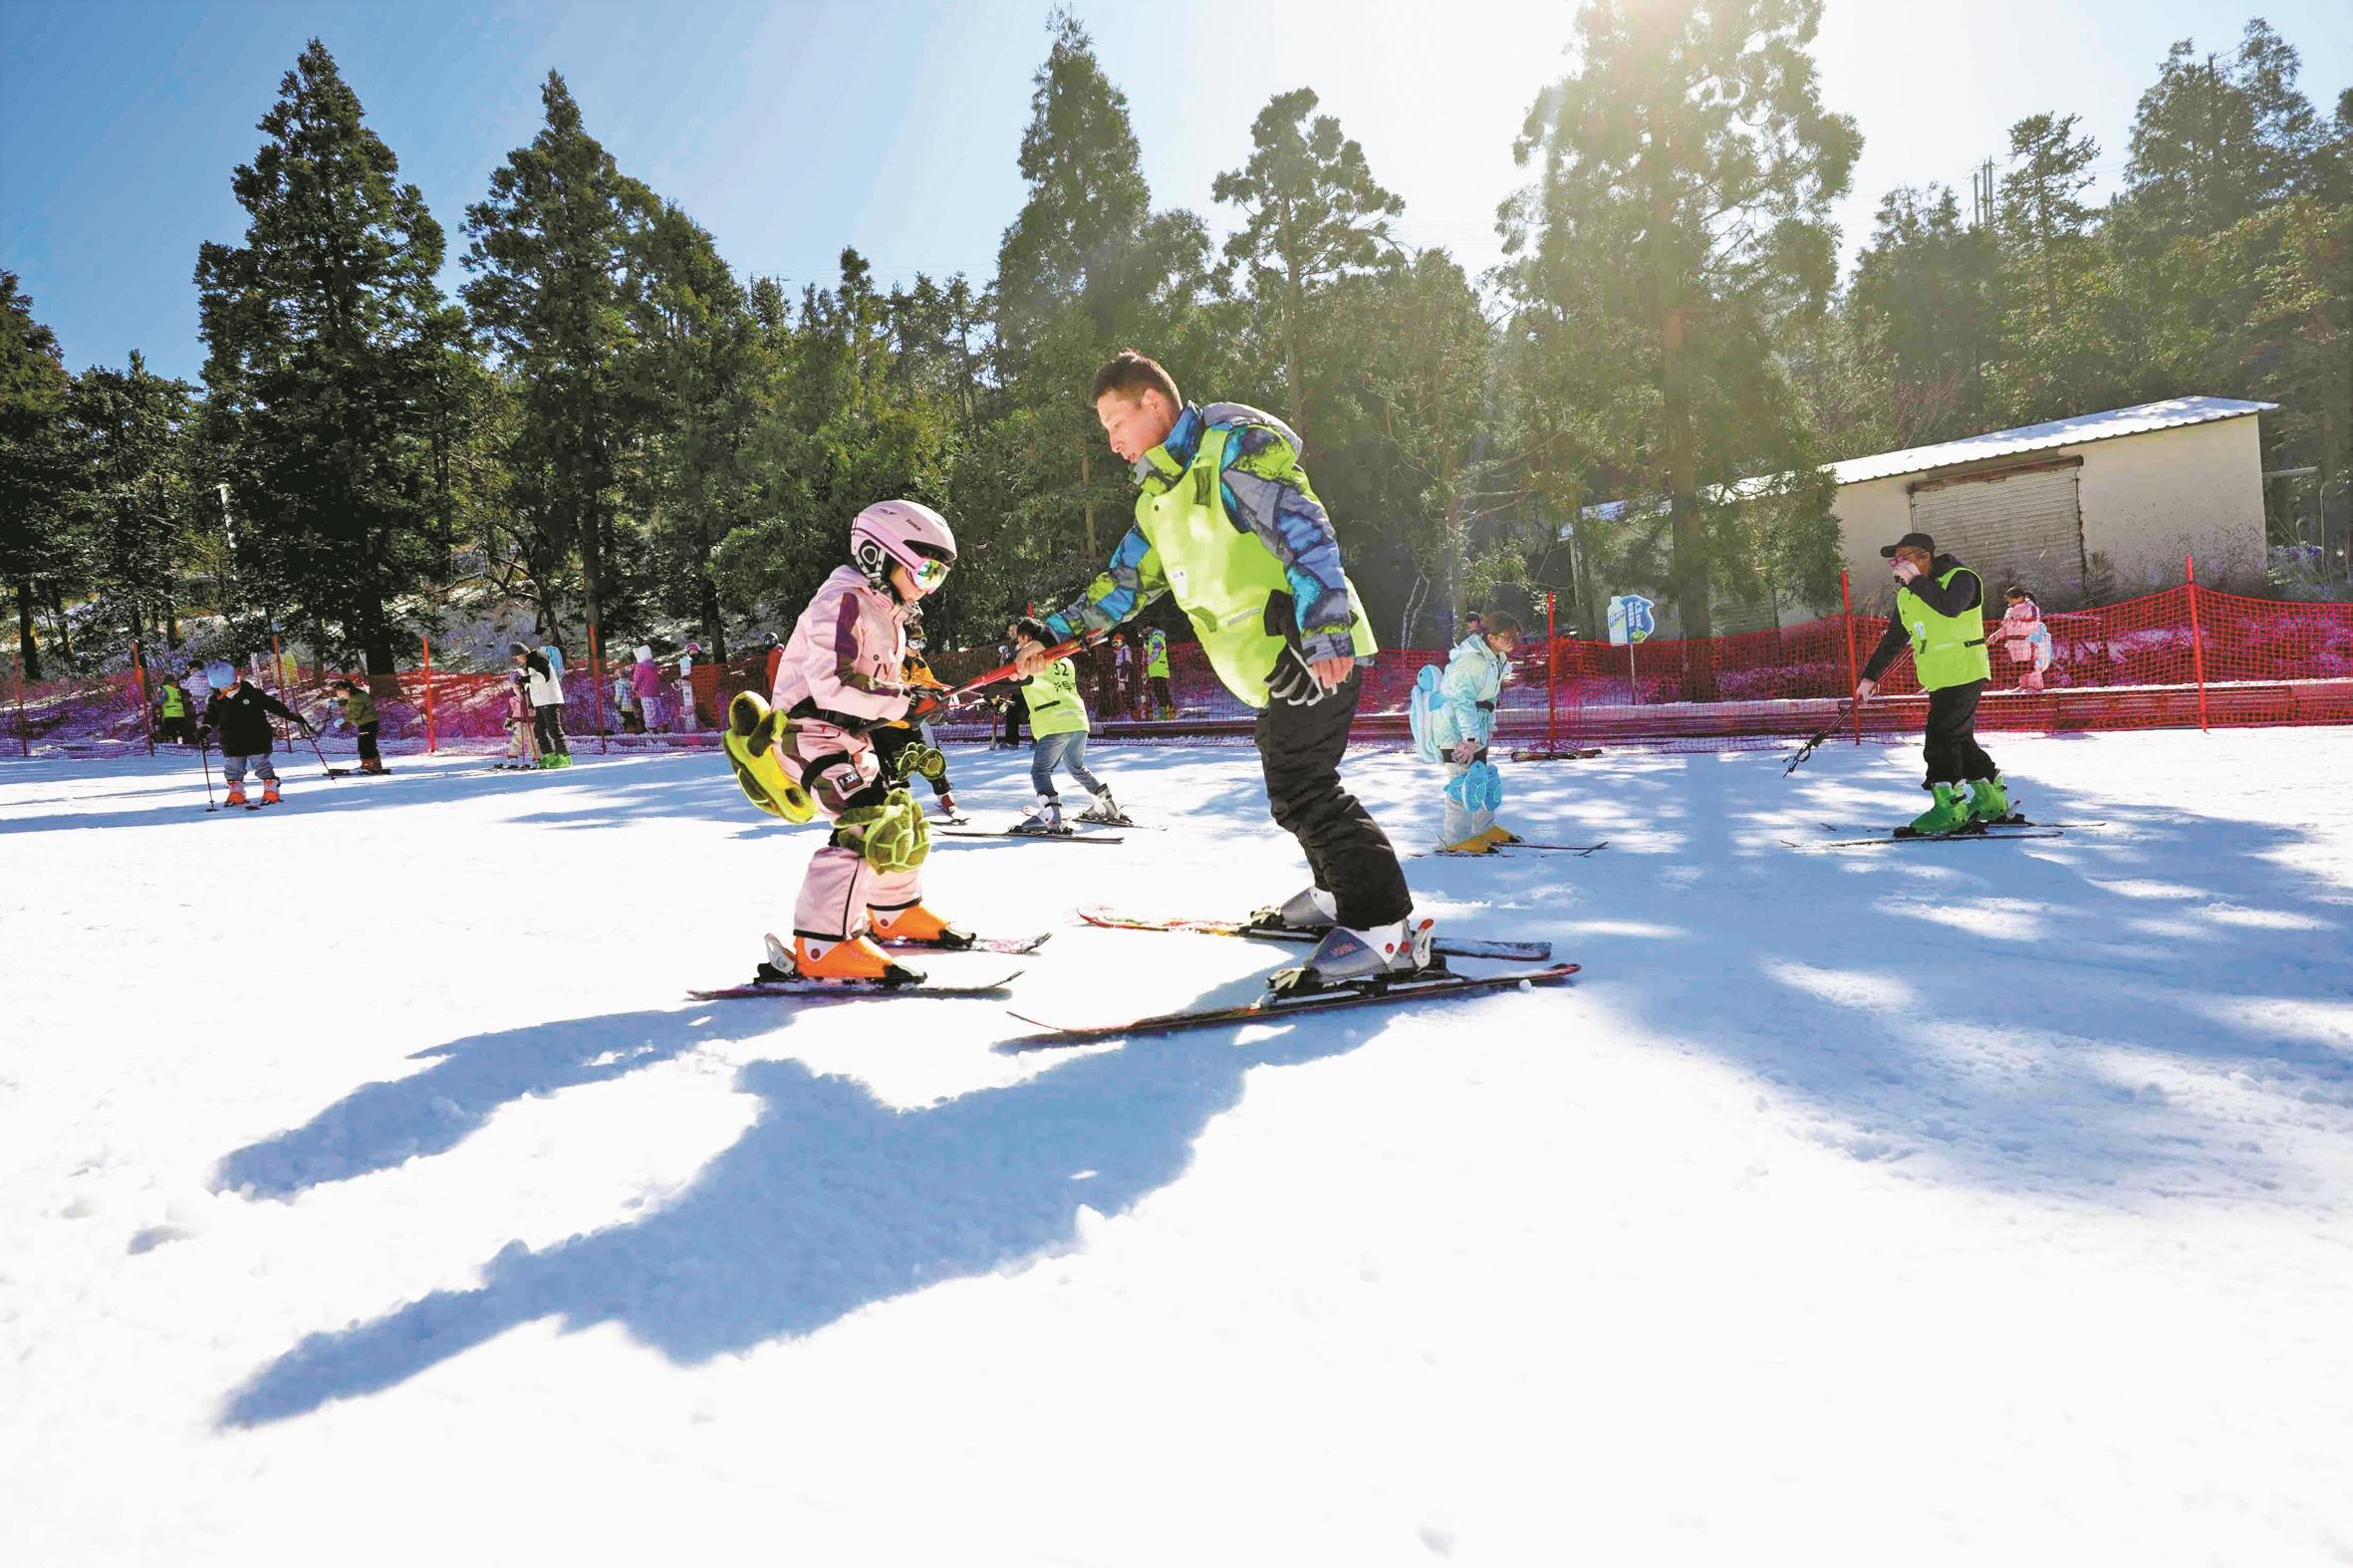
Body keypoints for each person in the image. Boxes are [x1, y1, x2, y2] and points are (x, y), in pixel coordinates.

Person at [1019, 350, 1426, 986]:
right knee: (1290, 784)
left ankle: (1384, 928)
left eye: (1113, 421)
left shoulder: (1235, 447)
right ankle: (1333, 896)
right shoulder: (1159, 497)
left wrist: (1321, 632)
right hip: (1270, 672)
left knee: (1304, 787)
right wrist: (1053, 633)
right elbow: (1125, 583)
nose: (1112, 441)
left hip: (1308, 655)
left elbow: (1306, 532)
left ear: (1152, 402)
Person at [746, 498, 967, 982]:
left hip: (847, 737)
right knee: (864, 824)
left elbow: (883, 684)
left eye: (939, 577)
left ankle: (893, 911)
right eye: (926, 571)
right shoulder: (841, 602)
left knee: (900, 817)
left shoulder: (887, 610)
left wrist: (920, 695)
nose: (929, 587)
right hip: (808, 734)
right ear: (877, 556)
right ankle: (822, 945)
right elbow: (834, 684)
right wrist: (903, 703)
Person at [1854, 530, 2007, 833]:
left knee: (1940, 739)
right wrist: (1869, 677)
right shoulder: (1908, 595)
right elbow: (1894, 640)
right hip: (1939, 677)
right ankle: (1991, 799)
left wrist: (1915, 581)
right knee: (1959, 739)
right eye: (1894, 560)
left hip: (1964, 670)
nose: (1897, 564)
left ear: (1926, 556)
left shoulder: (1961, 578)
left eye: (1903, 557)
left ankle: (1949, 810)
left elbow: (1950, 608)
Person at [1412, 611, 1523, 853]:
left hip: (1475, 727)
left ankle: (1484, 829)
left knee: (1480, 777)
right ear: (1490, 637)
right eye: (1507, 636)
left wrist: (1487, 728)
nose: (1512, 641)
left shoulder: (1496, 657)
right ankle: (1455, 838)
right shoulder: (1470, 661)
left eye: (1515, 636)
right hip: (1454, 729)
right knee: (1461, 782)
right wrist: (1469, 739)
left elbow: (1489, 698)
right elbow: (1462, 702)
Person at [1008, 618, 1122, 834]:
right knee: (1076, 767)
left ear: (1026, 638)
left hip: (1054, 721)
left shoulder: (1031, 662)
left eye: (1018, 638)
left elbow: (1013, 678)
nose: (1017, 644)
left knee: (1040, 771)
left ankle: (1052, 817)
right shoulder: (1064, 659)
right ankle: (1107, 806)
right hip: (1077, 719)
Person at [871, 607, 961, 820]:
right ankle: (899, 806)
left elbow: (929, 684)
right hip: (887, 723)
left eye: (921, 643)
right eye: (913, 643)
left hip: (912, 722)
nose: (917, 648)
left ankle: (945, 796)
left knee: (930, 757)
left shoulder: (920, 663)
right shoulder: (889, 660)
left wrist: (945, 691)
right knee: (896, 764)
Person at [197, 658, 308, 806]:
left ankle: (271, 789)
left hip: (256, 737)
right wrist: (205, 727)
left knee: (260, 763)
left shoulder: (252, 693)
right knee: (233, 766)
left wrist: (289, 715)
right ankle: (236, 792)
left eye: (228, 686)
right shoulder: (215, 700)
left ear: (234, 680)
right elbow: (211, 717)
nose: (225, 690)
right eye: (221, 688)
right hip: (231, 740)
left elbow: (272, 705)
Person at [509, 642, 571, 767]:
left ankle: (564, 757)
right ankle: (549, 755)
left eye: (516, 657)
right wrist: (522, 684)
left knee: (553, 728)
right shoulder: (530, 661)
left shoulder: (538, 657)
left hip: (549, 698)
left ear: (520, 653)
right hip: (540, 700)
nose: (516, 660)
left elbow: (543, 677)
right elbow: (533, 681)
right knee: (539, 730)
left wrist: (524, 679)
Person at [2000, 585, 2054, 692]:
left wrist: (2015, 623)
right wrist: (1995, 636)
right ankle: (2023, 685)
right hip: (2014, 644)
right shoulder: (2010, 610)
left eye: (2011, 600)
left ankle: (2035, 687)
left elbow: (2033, 625)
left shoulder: (2031, 608)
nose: (2009, 603)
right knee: (2020, 665)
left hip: (2027, 641)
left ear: (2020, 598)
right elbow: (2006, 627)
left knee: (2031, 664)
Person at [329, 678, 386, 773]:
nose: (339, 695)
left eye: (340, 692)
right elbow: (351, 703)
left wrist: (342, 719)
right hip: (369, 723)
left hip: (367, 724)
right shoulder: (356, 695)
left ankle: (367, 765)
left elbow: (356, 712)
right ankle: (376, 764)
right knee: (370, 744)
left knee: (364, 745)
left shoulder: (356, 697)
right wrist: (337, 703)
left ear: (347, 689)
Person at [495, 668, 543, 769]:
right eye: (514, 681)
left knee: (533, 739)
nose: (517, 684)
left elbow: (536, 700)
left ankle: (537, 758)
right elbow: (510, 708)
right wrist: (508, 720)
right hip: (518, 719)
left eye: (518, 680)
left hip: (531, 718)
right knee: (517, 738)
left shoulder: (529, 689)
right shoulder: (512, 693)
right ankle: (513, 758)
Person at [632, 645, 665, 733]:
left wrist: (634, 687)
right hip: (656, 693)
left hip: (645, 694)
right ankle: (661, 727)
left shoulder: (640, 667)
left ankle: (651, 729)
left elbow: (636, 679)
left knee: (649, 712)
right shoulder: (653, 667)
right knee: (657, 710)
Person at [1142, 625, 1174, 719]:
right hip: (1156, 670)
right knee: (1161, 692)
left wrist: (1147, 660)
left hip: (1159, 670)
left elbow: (1156, 652)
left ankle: (1166, 716)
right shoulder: (1152, 638)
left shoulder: (1156, 638)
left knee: (1161, 692)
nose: (1145, 630)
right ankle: (1167, 715)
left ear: (1152, 627)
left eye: (1146, 628)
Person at [156, 674, 195, 745]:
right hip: (172, 715)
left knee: (179, 731)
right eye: (173, 681)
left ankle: (181, 743)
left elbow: (159, 701)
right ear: (168, 682)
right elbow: (160, 700)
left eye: (175, 681)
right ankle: (176, 743)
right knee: (174, 731)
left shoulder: (176, 689)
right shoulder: (167, 689)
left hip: (177, 715)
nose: (175, 683)